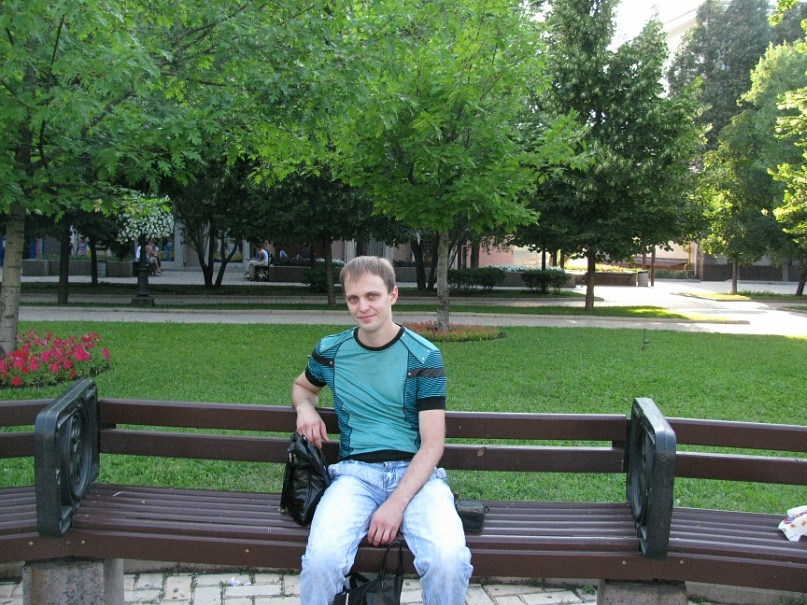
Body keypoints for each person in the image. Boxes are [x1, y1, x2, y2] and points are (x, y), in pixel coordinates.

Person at [291, 256, 472, 605]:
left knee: (448, 561)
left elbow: (432, 445)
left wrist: (395, 504)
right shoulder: (331, 351)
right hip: (354, 476)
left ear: (393, 295)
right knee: (321, 561)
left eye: (372, 296)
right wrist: (305, 409)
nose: (362, 307)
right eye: (353, 298)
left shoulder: (423, 356)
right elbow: (303, 387)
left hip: (417, 479)